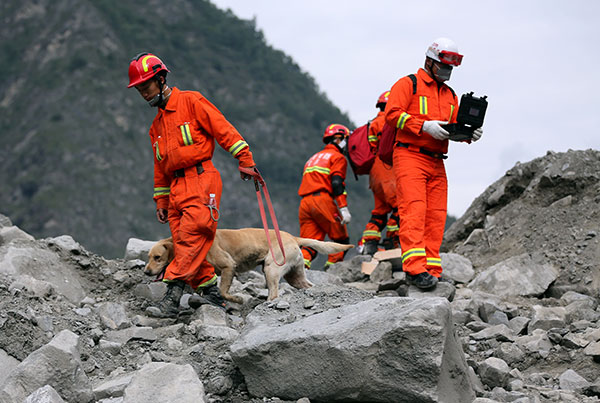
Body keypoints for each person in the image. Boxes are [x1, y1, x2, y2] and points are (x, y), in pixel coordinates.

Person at [127, 52, 258, 317]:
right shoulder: (156, 127)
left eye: (145, 86)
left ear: (160, 78)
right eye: (139, 89)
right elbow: (159, 167)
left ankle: (171, 300)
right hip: (175, 190)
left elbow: (224, 129)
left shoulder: (191, 101)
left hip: (201, 181)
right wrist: (162, 201)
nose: (142, 93)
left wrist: (245, 158)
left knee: (190, 240)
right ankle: (212, 295)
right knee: (183, 242)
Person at [384, 38, 483, 290]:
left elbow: (452, 128)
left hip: (437, 161)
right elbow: (392, 114)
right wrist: (423, 125)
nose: (447, 72)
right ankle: (415, 270)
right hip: (410, 156)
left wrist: (469, 134)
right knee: (413, 212)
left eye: (450, 68)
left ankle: (431, 269)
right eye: (443, 66)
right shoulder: (409, 84)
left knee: (435, 216)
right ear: (429, 61)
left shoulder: (450, 95)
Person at [298, 124, 352, 270]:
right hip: (321, 201)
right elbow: (337, 183)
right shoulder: (338, 157)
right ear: (338, 139)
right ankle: (331, 273)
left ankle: (299, 274)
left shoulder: (313, 158)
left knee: (310, 244)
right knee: (341, 240)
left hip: (305, 203)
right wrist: (343, 208)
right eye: (346, 140)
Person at [358, 90, 399, 256]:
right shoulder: (387, 121)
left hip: (374, 173)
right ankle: (393, 241)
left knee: (379, 211)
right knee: (400, 205)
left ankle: (369, 244)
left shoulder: (372, 123)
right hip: (387, 168)